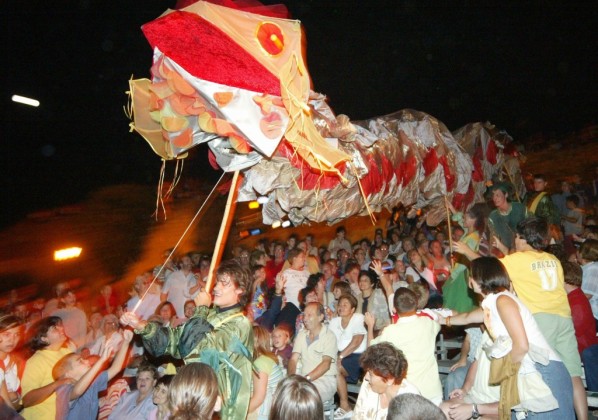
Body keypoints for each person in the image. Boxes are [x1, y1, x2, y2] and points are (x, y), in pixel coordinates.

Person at [121, 259, 254, 420]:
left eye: (224, 283)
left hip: (221, 411)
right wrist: (142, 326)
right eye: (217, 282)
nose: (216, 287)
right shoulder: (211, 315)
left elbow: (198, 349)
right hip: (195, 402)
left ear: (240, 289)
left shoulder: (240, 324)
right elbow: (176, 340)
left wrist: (201, 309)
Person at [443, 257, 574, 419]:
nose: (469, 279)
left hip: (543, 371)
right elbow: (467, 317)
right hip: (531, 369)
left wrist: (503, 371)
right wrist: (440, 319)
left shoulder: (503, 300)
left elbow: (522, 346)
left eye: (471, 275)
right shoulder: (492, 303)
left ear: (479, 278)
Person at [497, 217, 586, 419]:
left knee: (538, 371)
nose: (515, 243)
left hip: (539, 318)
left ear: (522, 239)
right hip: (563, 317)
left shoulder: (517, 259)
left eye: (516, 238)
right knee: (574, 374)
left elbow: (489, 270)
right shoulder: (553, 259)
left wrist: (466, 252)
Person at [366, 288, 442, 405]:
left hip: (407, 394)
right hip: (432, 392)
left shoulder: (391, 331)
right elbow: (437, 324)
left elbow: (370, 350)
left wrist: (370, 326)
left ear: (394, 309)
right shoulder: (428, 323)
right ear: (416, 304)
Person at [53, 329, 133, 420]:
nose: (86, 361)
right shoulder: (63, 388)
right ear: (68, 373)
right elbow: (77, 391)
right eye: (80, 361)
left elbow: (115, 368)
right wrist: (102, 360)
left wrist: (126, 343)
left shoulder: (91, 383)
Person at [21, 317, 72, 420]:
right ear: (44, 338)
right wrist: (57, 384)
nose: (61, 329)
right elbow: (27, 400)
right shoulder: (36, 361)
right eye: (55, 328)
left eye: (60, 326)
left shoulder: (67, 352)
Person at [352, 343, 420, 420]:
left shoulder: (410, 401)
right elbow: (357, 416)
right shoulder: (368, 385)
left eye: (371, 374)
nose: (366, 377)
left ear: (389, 379)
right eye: (367, 371)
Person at [288, 302, 338, 403]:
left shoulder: (329, 336)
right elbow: (293, 359)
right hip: (303, 379)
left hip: (325, 380)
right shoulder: (302, 335)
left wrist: (305, 380)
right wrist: (291, 378)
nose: (305, 318)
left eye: (309, 315)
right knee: (285, 393)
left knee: (304, 396)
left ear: (320, 317)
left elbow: (326, 364)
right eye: (304, 315)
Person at [329, 294, 367, 418]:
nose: (341, 307)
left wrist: (340, 357)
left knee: (334, 368)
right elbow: (330, 342)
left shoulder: (358, 318)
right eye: (340, 305)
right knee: (325, 365)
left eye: (345, 305)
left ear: (352, 309)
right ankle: (325, 403)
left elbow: (357, 341)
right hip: (340, 355)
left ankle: (344, 405)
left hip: (357, 356)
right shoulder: (334, 322)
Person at [562, 262, 598, 392]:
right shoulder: (576, 296)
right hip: (582, 345)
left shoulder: (576, 301)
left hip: (581, 347)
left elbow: (572, 330)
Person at [444, 202, 486, 313]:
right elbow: (459, 220)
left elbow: (465, 260)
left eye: (465, 218)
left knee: (459, 305)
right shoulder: (469, 231)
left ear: (473, 220)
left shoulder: (473, 237)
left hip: (462, 274)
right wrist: (451, 207)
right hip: (460, 271)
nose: (463, 220)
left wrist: (454, 274)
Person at [247, 326, 284, 420]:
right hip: (272, 409)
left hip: (264, 412)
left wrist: (238, 413)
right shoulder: (267, 359)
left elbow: (258, 399)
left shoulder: (260, 363)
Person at [487, 182, 529, 252]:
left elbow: (532, 226)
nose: (495, 198)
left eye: (497, 195)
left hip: (525, 248)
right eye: (493, 196)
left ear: (506, 195)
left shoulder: (519, 208)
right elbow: (493, 237)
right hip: (506, 252)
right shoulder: (493, 216)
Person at [0, 315, 23, 412]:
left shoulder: (18, 363)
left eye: (16, 334)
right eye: (6, 334)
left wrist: (15, 397)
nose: (12, 340)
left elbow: (22, 403)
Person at [579, 239, 598, 327]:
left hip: (593, 313)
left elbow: (588, 294)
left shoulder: (593, 269)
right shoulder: (589, 267)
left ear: (581, 253)